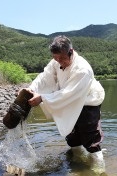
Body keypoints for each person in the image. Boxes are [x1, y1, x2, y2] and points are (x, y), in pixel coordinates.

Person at [24, 35, 105, 173]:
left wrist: (42, 98)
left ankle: (99, 170)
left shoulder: (82, 69)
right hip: (67, 99)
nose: (59, 62)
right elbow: (45, 76)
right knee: (72, 135)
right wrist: (32, 89)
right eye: (56, 59)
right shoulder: (56, 61)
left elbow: (69, 94)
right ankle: (78, 164)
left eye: (62, 59)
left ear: (71, 51)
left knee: (90, 138)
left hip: (88, 101)